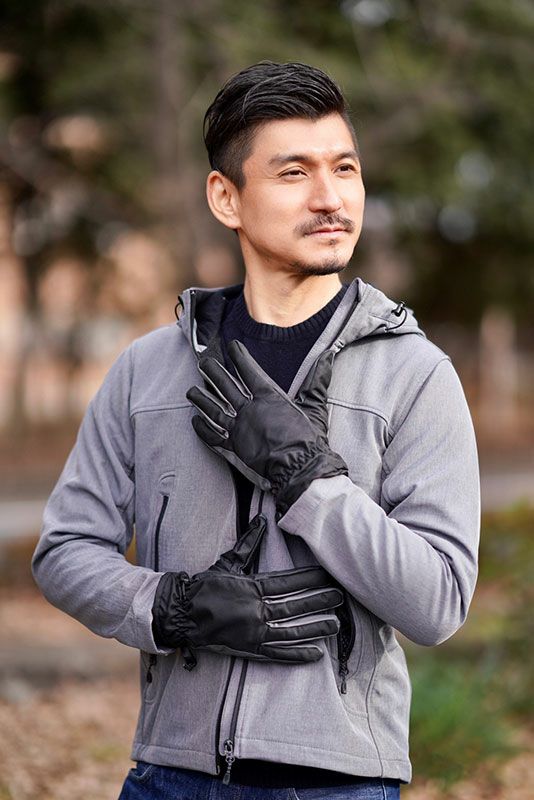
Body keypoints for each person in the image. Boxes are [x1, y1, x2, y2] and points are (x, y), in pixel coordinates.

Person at [32, 61, 480, 800]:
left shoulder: (416, 374)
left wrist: (309, 481)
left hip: (340, 785)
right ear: (226, 197)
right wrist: (171, 606)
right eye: (294, 173)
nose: (330, 197)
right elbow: (64, 551)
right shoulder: (149, 369)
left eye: (344, 168)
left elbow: (437, 602)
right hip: (169, 776)